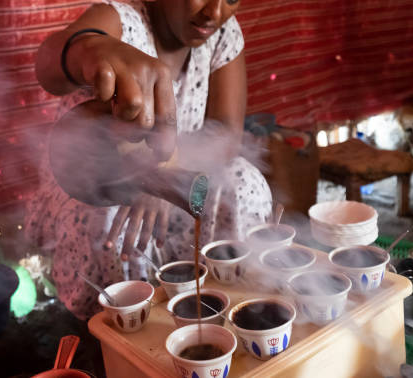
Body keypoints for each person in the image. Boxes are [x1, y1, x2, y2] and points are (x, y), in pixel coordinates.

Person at [26, 0, 272, 320]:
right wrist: (90, 48)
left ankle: (230, 299)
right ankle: (116, 322)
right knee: (115, 213)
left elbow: (226, 133)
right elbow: (48, 68)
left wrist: (167, 167)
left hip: (174, 186)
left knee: (242, 180)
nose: (215, 12)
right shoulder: (118, 20)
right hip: (95, 190)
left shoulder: (221, 33)